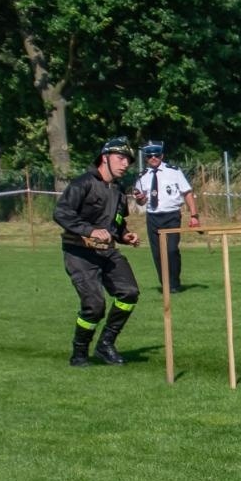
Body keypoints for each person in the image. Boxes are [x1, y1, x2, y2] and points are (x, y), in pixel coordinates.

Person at [55, 137, 142, 366]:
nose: (125, 164)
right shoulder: (82, 183)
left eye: (128, 161)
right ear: (105, 158)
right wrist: (90, 230)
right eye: (121, 158)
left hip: (107, 252)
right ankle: (79, 352)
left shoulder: (119, 190)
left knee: (129, 293)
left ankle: (106, 344)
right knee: (94, 306)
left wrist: (125, 235)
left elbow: (117, 224)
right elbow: (61, 213)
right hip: (79, 252)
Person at [133, 140, 200, 293]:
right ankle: (165, 285)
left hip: (171, 216)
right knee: (157, 253)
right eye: (150, 156)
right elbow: (141, 200)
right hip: (153, 217)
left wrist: (194, 215)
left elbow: (187, 193)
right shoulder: (142, 176)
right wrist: (139, 198)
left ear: (162, 156)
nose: (153, 158)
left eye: (156, 155)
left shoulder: (174, 172)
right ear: (146, 159)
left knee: (171, 250)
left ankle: (175, 283)